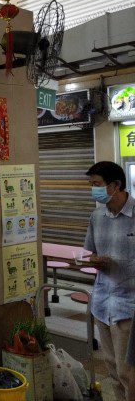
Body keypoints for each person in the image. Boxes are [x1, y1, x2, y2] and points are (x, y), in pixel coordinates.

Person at [84, 161, 135, 400]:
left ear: (115, 185)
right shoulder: (97, 217)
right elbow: (89, 253)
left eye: (97, 184)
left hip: (128, 307)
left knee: (129, 373)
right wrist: (95, 260)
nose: (93, 189)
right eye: (91, 184)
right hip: (102, 304)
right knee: (112, 369)